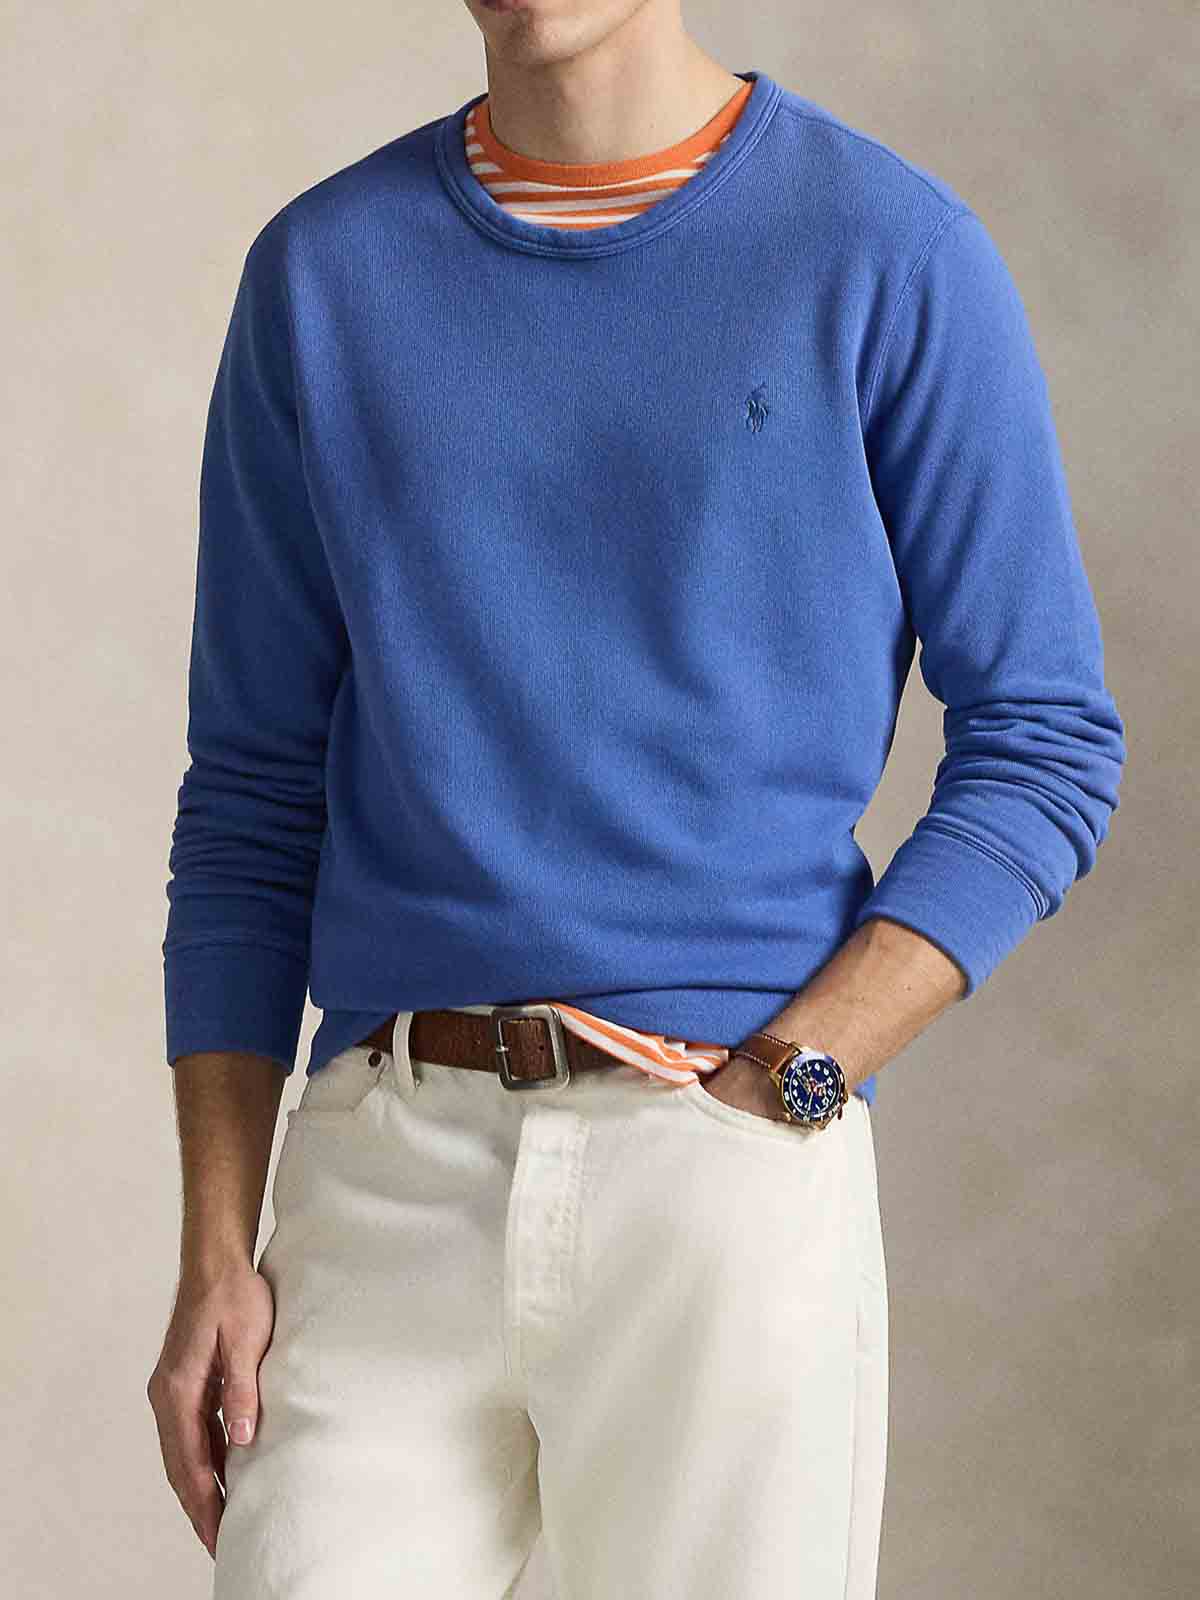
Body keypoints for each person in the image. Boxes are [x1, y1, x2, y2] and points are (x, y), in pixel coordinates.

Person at [146, 3, 1126, 1596]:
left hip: (719, 1178)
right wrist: (214, 1250)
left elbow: (1047, 740)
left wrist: (794, 1085)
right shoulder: (323, 274)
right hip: (385, 1173)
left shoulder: (891, 252)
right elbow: (252, 793)